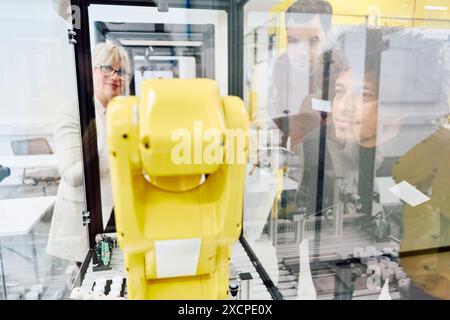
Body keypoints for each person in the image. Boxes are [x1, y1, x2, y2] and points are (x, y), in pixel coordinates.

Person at [47, 42, 131, 264]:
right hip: (90, 221)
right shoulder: (73, 111)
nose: (115, 76)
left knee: (119, 277)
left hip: (120, 216)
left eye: (121, 71)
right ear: (92, 71)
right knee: (97, 279)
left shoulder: (124, 113)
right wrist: (116, 149)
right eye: (107, 68)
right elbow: (72, 176)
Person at [268, 0, 333, 119]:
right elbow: (279, 110)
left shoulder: (339, 69)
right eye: (293, 41)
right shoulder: (282, 64)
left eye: (313, 41)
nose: (302, 52)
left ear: (327, 36)